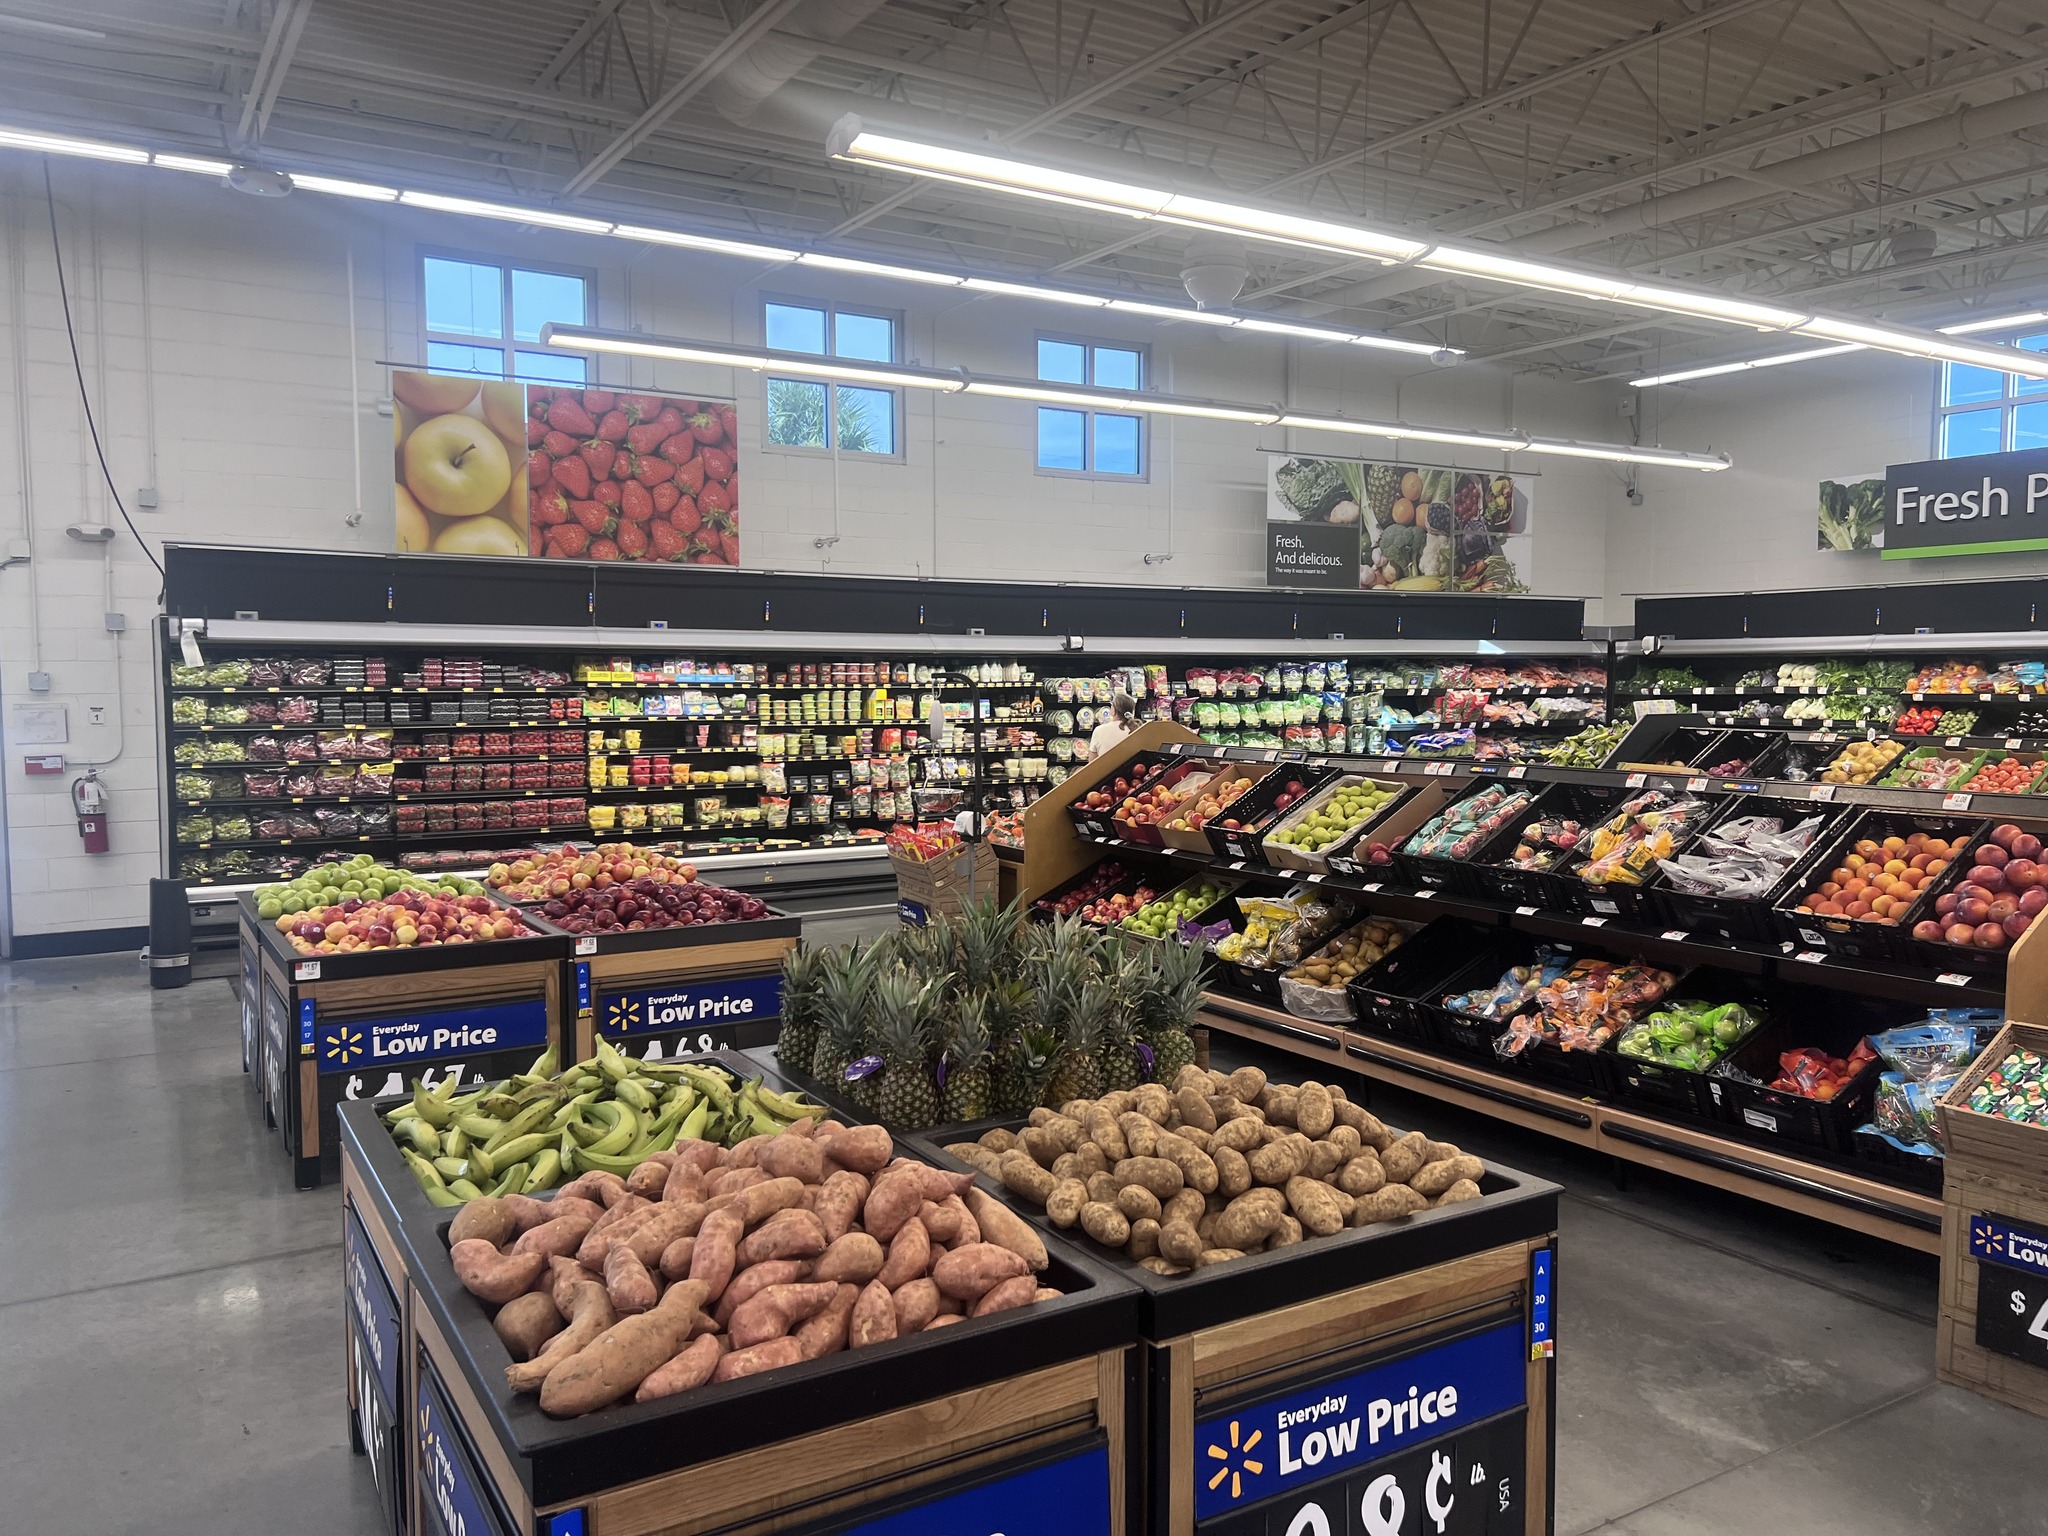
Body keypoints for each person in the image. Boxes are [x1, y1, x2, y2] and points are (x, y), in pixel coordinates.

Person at [1089, 689, 1137, 760]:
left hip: (1105, 767)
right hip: (1130, 767)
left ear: (1113, 710)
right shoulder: (1136, 729)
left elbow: (1092, 761)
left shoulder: (1099, 731)